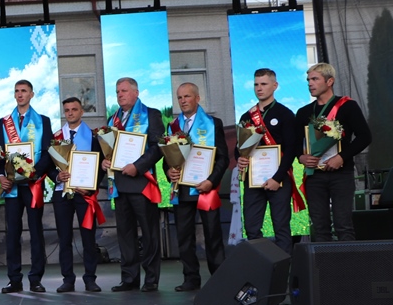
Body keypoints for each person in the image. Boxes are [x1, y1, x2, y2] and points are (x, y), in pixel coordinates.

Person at [296, 62, 372, 242]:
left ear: (330, 81)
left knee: (343, 225)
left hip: (341, 174)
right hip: (314, 176)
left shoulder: (347, 106)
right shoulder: (304, 112)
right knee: (320, 228)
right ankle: (324, 262)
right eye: (308, 80)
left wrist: (342, 157)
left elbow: (365, 137)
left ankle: (347, 261)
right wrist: (301, 157)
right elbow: (296, 143)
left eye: (315, 79)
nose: (310, 84)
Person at [101, 77, 164, 292]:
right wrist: (105, 162)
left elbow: (157, 147)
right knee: (125, 233)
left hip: (142, 182)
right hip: (119, 184)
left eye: (124, 91)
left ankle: (151, 279)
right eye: (117, 91)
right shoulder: (112, 119)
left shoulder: (151, 114)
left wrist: (138, 166)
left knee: (149, 232)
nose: (120, 95)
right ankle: (129, 278)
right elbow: (109, 149)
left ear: (136, 93)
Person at [164, 83, 229, 291]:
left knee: (213, 235)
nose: (183, 100)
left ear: (197, 98)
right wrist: (168, 171)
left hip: (206, 188)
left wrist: (211, 181)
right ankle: (190, 278)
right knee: (184, 236)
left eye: (187, 96)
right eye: (180, 97)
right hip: (182, 189)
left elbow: (223, 158)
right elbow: (167, 159)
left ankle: (219, 277)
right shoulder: (172, 126)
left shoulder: (213, 123)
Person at [234, 68, 299, 255]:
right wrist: (239, 159)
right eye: (256, 84)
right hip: (253, 180)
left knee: (281, 227)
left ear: (275, 86)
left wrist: (277, 178)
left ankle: (285, 269)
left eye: (263, 84)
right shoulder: (247, 116)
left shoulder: (285, 114)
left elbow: (291, 149)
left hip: (279, 179)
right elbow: (239, 148)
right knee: (252, 228)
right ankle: (260, 268)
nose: (259, 88)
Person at [0, 80, 53, 294]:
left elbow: (47, 153)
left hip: (33, 184)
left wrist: (34, 172)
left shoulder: (43, 121)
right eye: (17, 91)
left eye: (24, 91)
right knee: (13, 233)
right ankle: (14, 279)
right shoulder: (4, 122)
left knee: (36, 231)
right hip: (11, 187)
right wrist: (1, 175)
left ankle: (36, 278)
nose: (20, 94)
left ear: (31, 94)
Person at [51, 97, 102, 293]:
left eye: (74, 109)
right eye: (67, 110)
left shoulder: (93, 137)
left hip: (84, 193)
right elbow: (48, 165)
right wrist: (57, 176)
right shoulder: (56, 137)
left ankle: (90, 278)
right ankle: (68, 279)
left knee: (88, 237)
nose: (70, 113)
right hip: (61, 193)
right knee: (64, 238)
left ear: (82, 112)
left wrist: (91, 187)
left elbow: (100, 166)